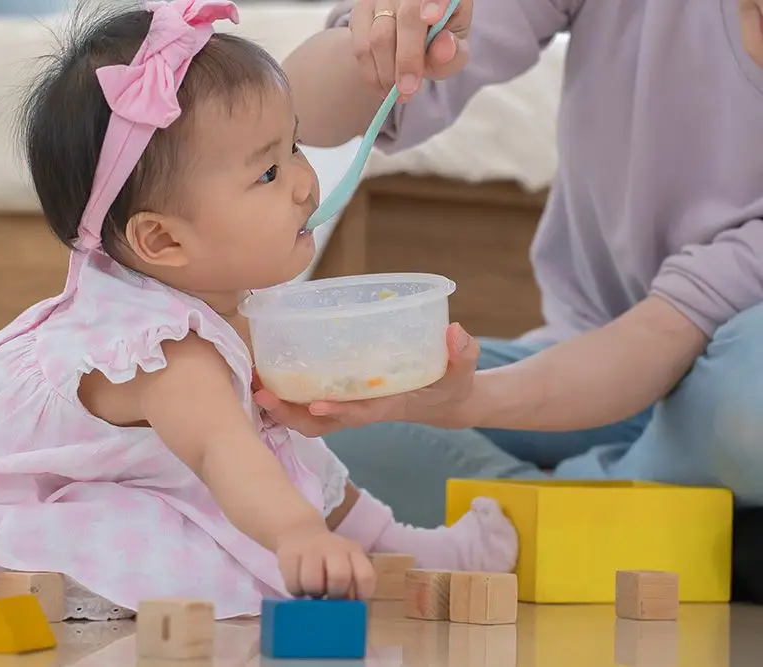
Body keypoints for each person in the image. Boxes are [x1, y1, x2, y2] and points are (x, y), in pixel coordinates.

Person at [0, 0, 516, 624]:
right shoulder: (170, 349)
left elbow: (269, 445)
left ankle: (412, 545)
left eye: (292, 148)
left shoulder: (206, 296)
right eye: (267, 171)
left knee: (298, 451)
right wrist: (296, 534)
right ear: (163, 239)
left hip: (138, 471)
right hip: (47, 496)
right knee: (140, 523)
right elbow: (220, 451)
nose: (303, 182)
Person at [264, 0, 763, 529]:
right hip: (584, 358)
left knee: (748, 401)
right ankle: (596, 515)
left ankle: (549, 521)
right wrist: (379, 41)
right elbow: (300, 113)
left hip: (730, 381)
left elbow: (662, 336)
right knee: (293, 413)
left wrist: (463, 403)